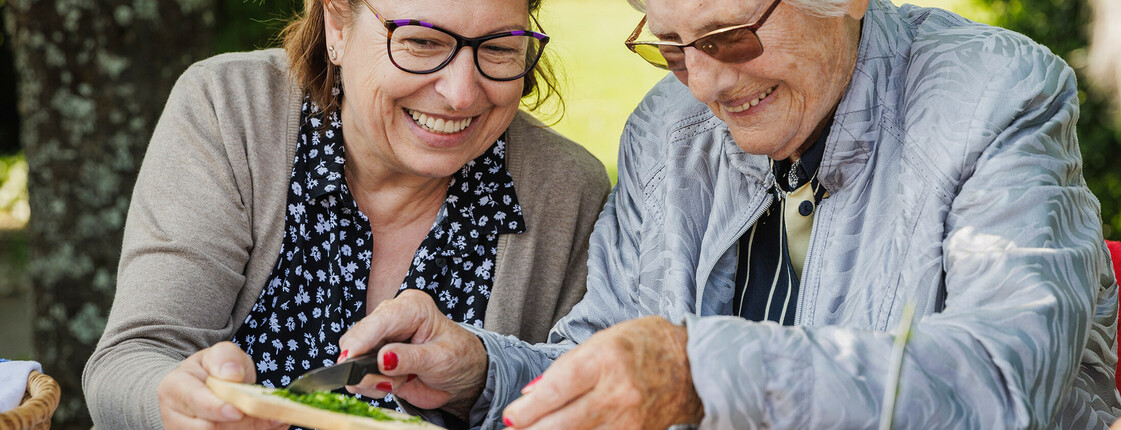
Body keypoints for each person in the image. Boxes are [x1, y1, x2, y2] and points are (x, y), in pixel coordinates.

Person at [332, 0, 1121, 428]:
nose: (704, 84)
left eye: (730, 37)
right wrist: (483, 373)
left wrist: (701, 371)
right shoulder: (664, 131)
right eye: (672, 48)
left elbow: (1004, 379)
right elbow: (611, 359)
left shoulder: (994, 94)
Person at [81, 0, 611, 427]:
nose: (461, 93)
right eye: (422, 41)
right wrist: (177, 406)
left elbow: (580, 402)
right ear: (336, 22)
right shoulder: (232, 111)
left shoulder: (566, 192)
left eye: (498, 48)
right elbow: (130, 361)